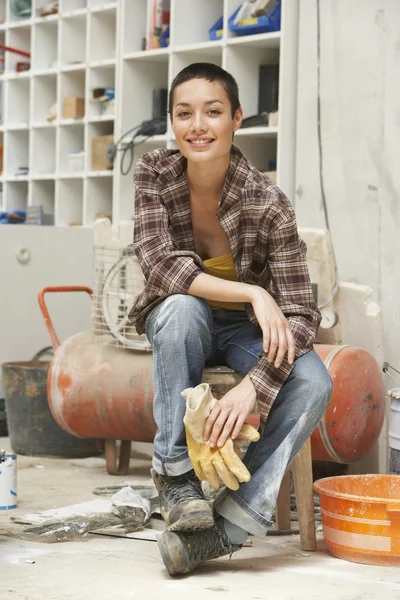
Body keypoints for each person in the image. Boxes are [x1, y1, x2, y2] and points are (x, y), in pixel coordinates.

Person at [129, 63, 332, 576]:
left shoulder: (269, 203)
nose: (198, 125)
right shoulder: (154, 172)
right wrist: (250, 291)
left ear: (236, 118)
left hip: (244, 332)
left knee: (312, 380)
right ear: (172, 123)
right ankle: (177, 479)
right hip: (182, 320)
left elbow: (301, 314)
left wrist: (255, 387)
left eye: (213, 111)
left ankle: (223, 531)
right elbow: (160, 264)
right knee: (180, 309)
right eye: (184, 113)